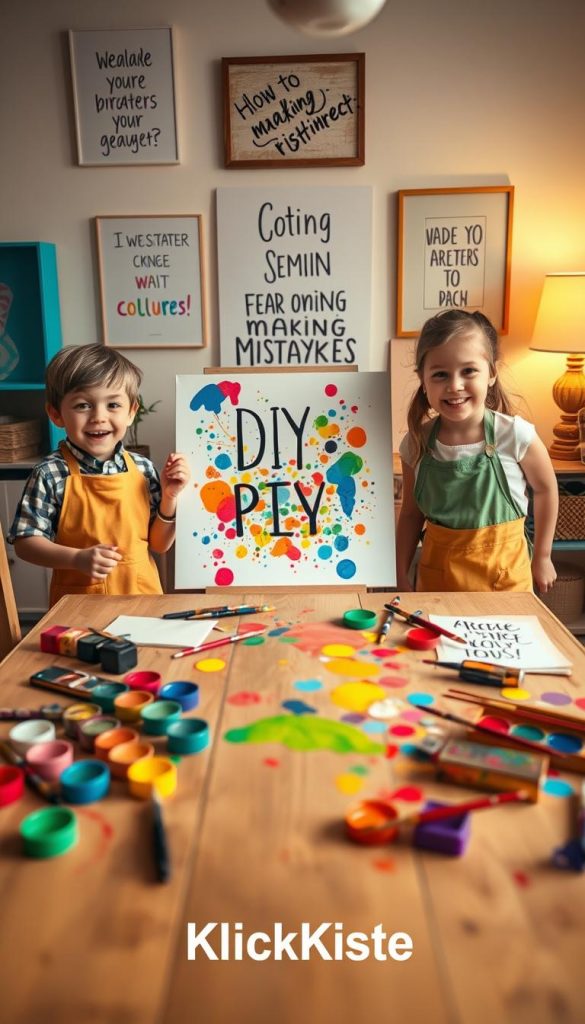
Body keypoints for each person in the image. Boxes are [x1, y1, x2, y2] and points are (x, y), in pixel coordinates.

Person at [8, 344, 190, 605]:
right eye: (83, 405)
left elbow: (159, 545)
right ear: (56, 414)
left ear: (131, 412)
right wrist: (76, 559)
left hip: (143, 601)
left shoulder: (143, 469)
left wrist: (170, 497)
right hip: (78, 608)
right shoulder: (49, 473)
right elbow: (26, 543)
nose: (99, 417)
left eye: (113, 404)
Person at [395, 309, 558, 594]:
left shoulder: (515, 435)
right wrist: (398, 572)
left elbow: (546, 490)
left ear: (491, 374)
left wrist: (543, 557)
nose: (454, 385)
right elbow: (411, 514)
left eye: (468, 371)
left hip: (506, 583)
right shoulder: (416, 444)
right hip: (439, 584)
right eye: (440, 374)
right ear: (422, 379)